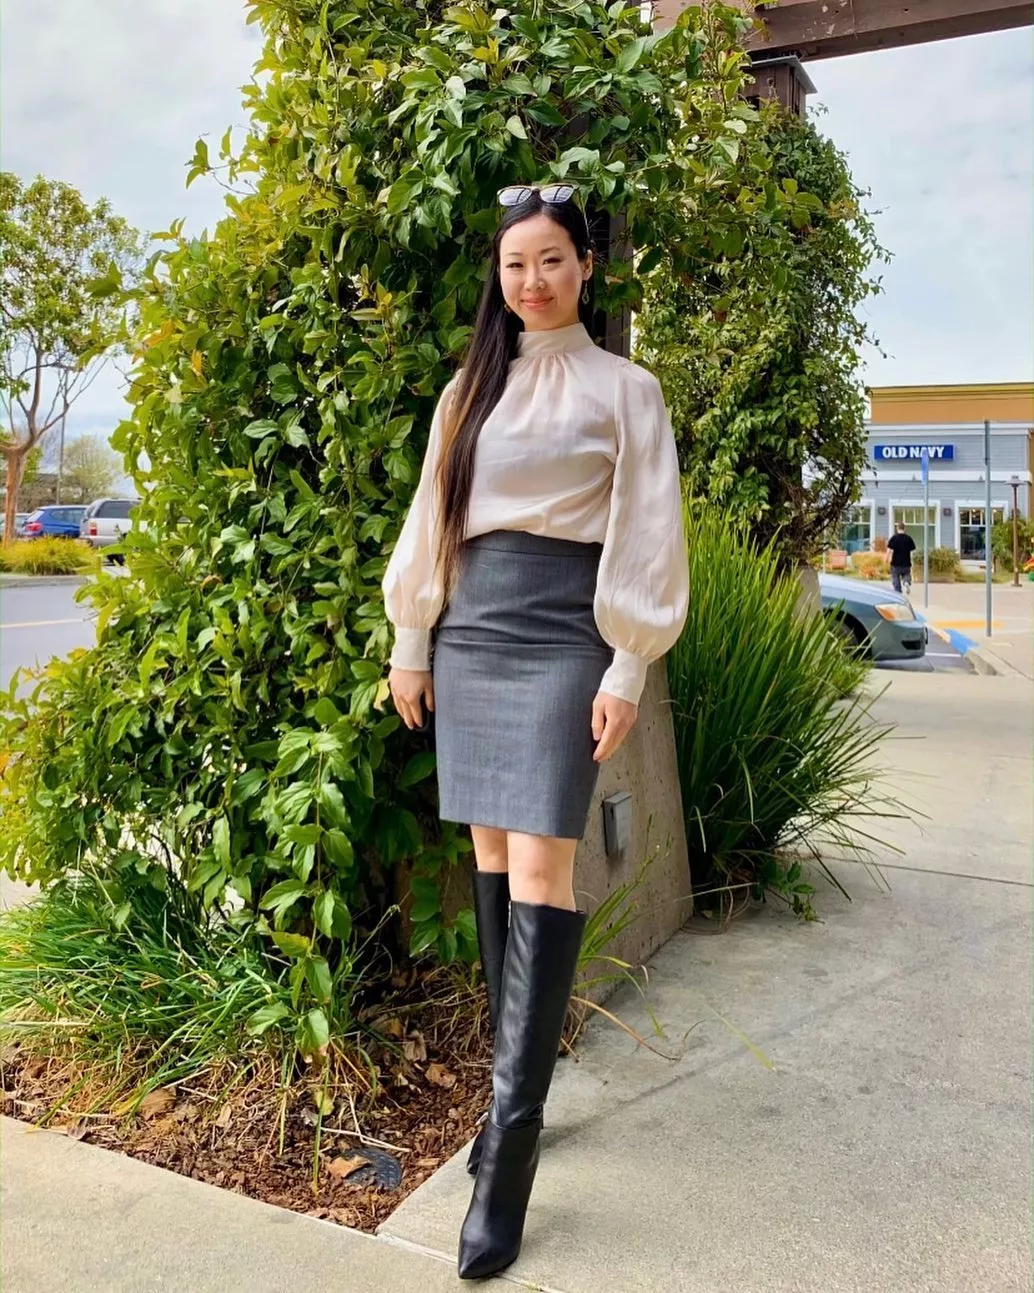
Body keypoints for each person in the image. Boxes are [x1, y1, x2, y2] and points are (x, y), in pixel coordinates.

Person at [382, 183, 689, 1281]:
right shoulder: (470, 387)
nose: (532, 281)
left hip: (566, 633)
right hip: (471, 630)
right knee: (489, 856)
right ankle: (507, 1098)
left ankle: (509, 1145)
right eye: (515, 265)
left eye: (551, 260)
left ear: (585, 267)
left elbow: (647, 527)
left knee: (542, 866)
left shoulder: (627, 390)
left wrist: (626, 665)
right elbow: (434, 513)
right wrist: (411, 640)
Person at [886, 521, 917, 594]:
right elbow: (912, 552)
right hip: (906, 563)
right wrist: (912, 561)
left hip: (895, 563)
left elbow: (889, 550)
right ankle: (906, 582)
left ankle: (898, 591)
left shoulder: (894, 538)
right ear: (904, 528)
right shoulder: (909, 538)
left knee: (895, 577)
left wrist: (886, 558)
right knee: (907, 574)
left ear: (897, 528)